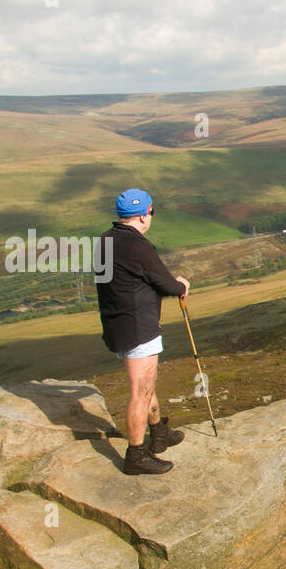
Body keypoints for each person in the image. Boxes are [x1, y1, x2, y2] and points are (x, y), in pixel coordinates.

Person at [96, 188, 191, 475]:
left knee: (146, 386)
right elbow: (165, 284)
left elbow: (113, 281)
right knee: (141, 391)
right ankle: (136, 456)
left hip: (117, 324)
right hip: (139, 327)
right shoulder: (139, 246)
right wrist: (181, 285)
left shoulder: (104, 241)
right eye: (151, 212)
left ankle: (159, 434)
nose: (151, 217)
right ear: (143, 215)